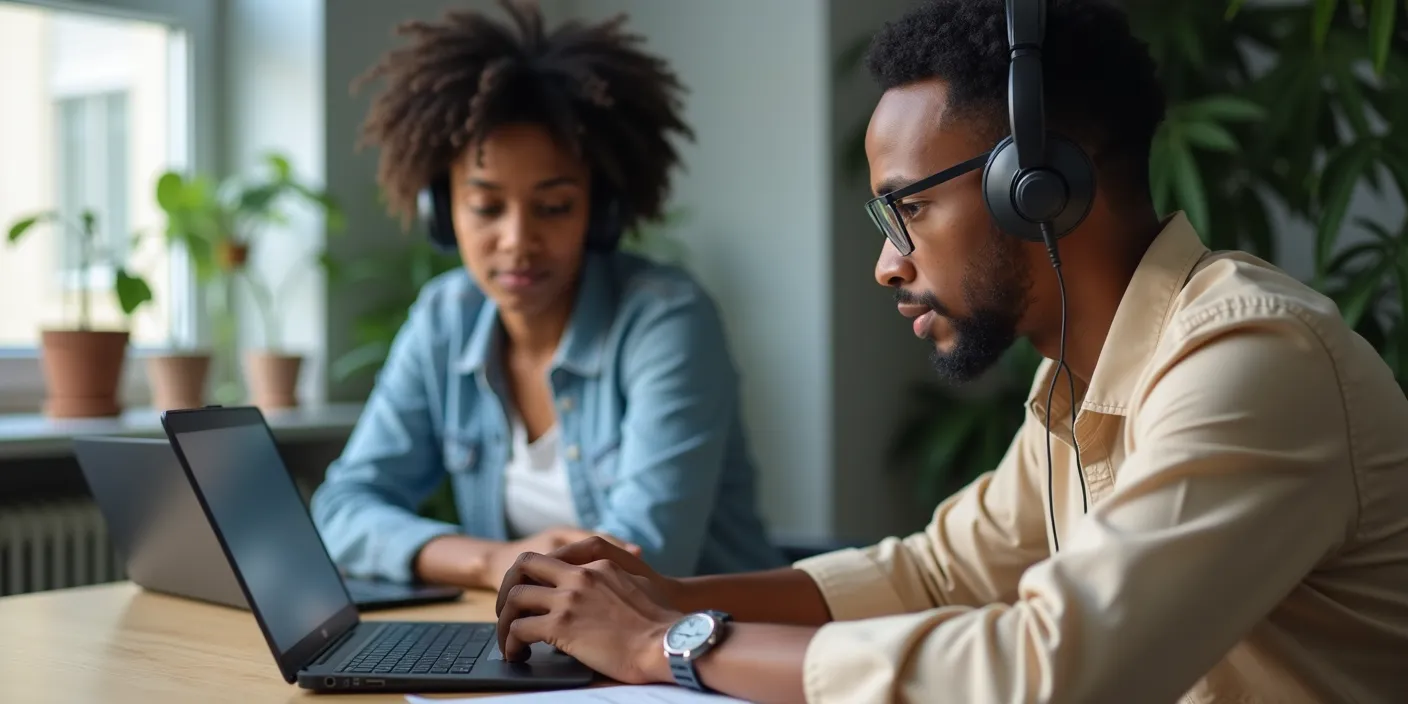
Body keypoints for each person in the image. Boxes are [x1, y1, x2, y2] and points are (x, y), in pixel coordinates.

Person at [490, 0, 1408, 702]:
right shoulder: (1079, 380)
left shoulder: (1252, 361)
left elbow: (1054, 672)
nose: (888, 264)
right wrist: (664, 593)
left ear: (1037, 187)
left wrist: (665, 643)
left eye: (912, 208)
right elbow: (938, 573)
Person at [310, 0, 783, 592]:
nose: (517, 241)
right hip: (545, 633)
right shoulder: (444, 318)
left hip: (700, 637)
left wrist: (507, 566)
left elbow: (645, 557)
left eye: (554, 207)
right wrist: (490, 561)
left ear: (600, 211)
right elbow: (343, 507)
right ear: (443, 211)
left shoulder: (665, 321)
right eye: (486, 206)